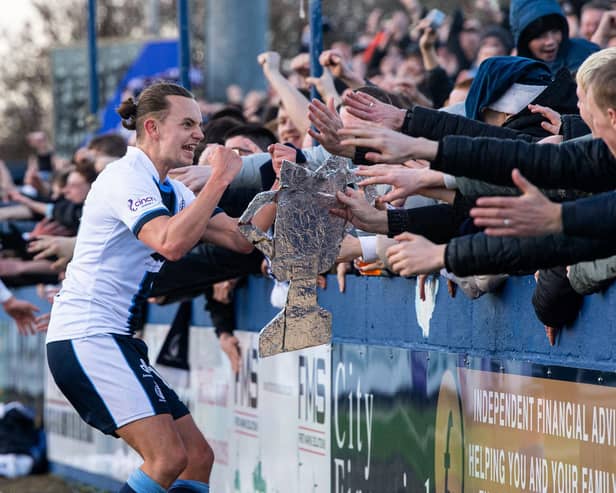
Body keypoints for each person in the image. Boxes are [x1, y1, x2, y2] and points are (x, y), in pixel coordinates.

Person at [45, 82, 273, 493]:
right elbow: (170, 242)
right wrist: (220, 178)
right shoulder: (124, 177)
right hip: (87, 337)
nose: (199, 135)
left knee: (197, 459)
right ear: (152, 127)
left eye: (200, 125)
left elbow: (241, 239)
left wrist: (282, 184)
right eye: (187, 124)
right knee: (167, 458)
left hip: (111, 339)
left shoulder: (173, 189)